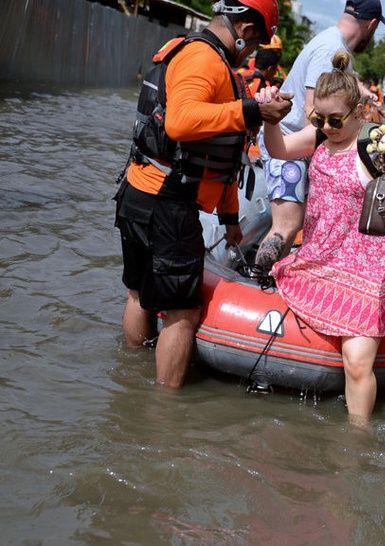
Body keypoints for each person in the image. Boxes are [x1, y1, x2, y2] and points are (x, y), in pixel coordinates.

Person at [114, 0, 290, 387]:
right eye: (257, 39)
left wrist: (229, 219)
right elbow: (180, 122)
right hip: (168, 202)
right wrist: (253, 113)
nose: (254, 48)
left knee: (139, 293)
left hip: (138, 188)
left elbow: (219, 155)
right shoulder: (205, 60)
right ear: (245, 29)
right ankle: (164, 415)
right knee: (182, 313)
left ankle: (129, 384)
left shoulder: (187, 49)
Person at [255, 50, 385, 422]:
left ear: (358, 112)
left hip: (370, 267)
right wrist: (271, 120)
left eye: (335, 119)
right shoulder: (321, 137)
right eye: (318, 117)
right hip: (322, 256)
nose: (326, 125)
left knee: (355, 362)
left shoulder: (374, 145)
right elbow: (279, 149)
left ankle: (356, 442)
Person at [253, 0, 385, 272]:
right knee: (287, 224)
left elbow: (342, 80)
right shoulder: (330, 48)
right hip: (290, 142)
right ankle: (259, 279)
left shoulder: (334, 45)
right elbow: (312, 111)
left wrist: (362, 91)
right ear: (371, 25)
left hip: (298, 143)